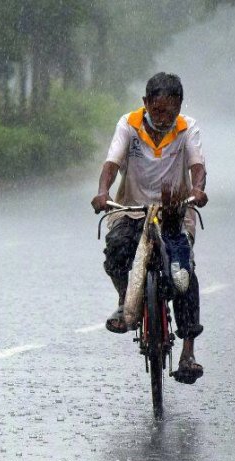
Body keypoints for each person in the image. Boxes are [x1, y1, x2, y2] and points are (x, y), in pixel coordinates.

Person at [90, 72, 208, 385]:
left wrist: (198, 190)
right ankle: (124, 304)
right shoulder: (128, 124)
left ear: (179, 108)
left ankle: (188, 352)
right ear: (145, 104)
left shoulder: (187, 128)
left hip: (174, 213)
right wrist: (103, 191)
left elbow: (197, 167)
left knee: (183, 277)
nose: (163, 118)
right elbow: (112, 163)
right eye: (156, 111)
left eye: (169, 113)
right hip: (132, 210)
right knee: (117, 253)